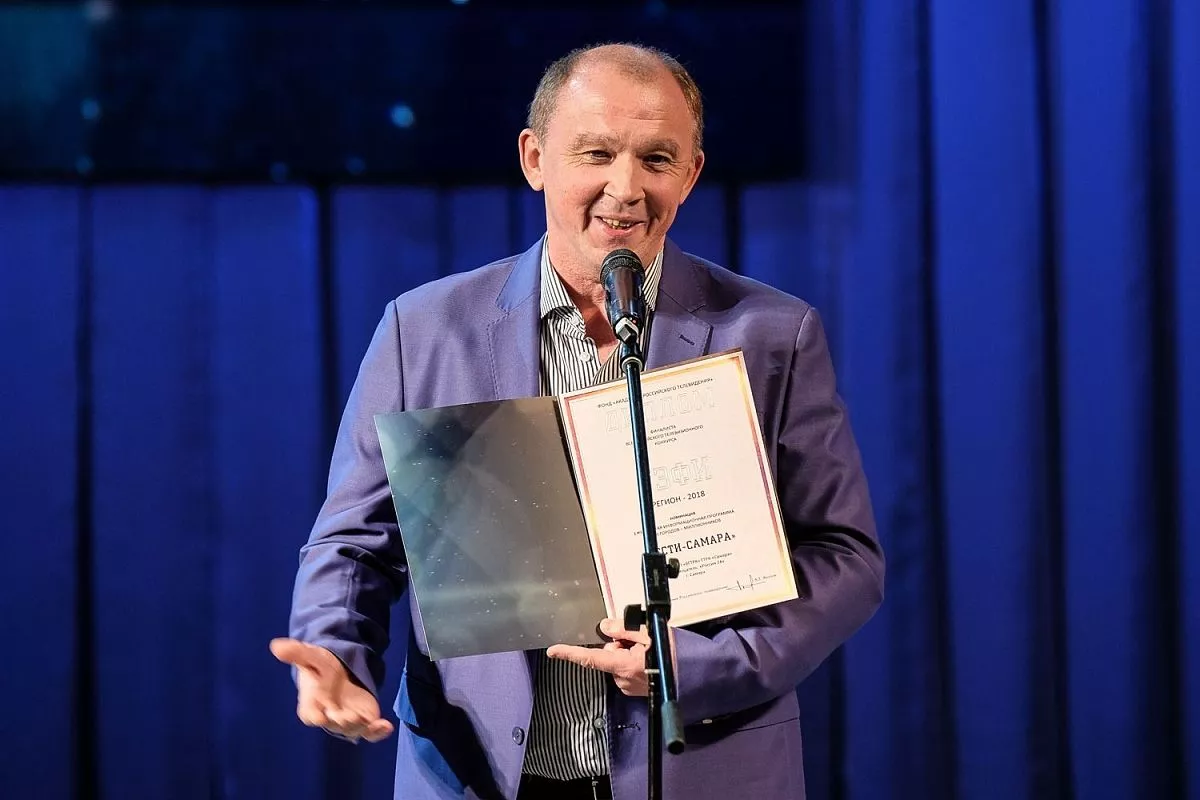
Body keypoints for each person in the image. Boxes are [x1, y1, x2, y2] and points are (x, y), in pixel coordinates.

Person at [271, 42, 884, 800]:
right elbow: (356, 541)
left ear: (691, 174)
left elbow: (844, 554)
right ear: (535, 159)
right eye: (596, 153)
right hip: (478, 773)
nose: (625, 188)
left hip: (703, 769)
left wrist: (705, 664)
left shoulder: (770, 335)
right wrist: (334, 648)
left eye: (657, 159)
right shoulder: (425, 332)